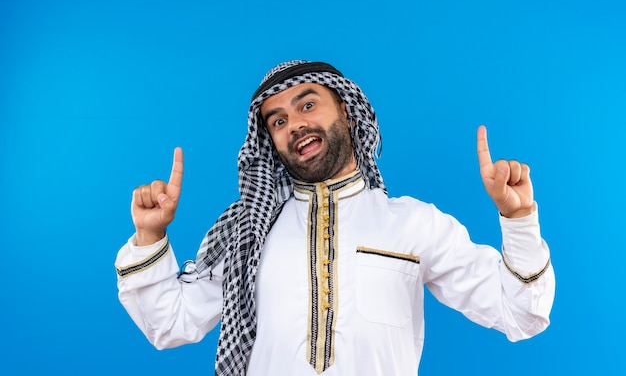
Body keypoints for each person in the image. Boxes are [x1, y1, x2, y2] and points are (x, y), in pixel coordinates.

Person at [115, 60, 555, 376]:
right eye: (279, 120)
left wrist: (518, 220)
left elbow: (521, 315)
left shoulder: (415, 225)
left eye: (308, 106)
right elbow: (170, 323)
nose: (295, 125)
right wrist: (150, 235)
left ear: (346, 109)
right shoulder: (249, 234)